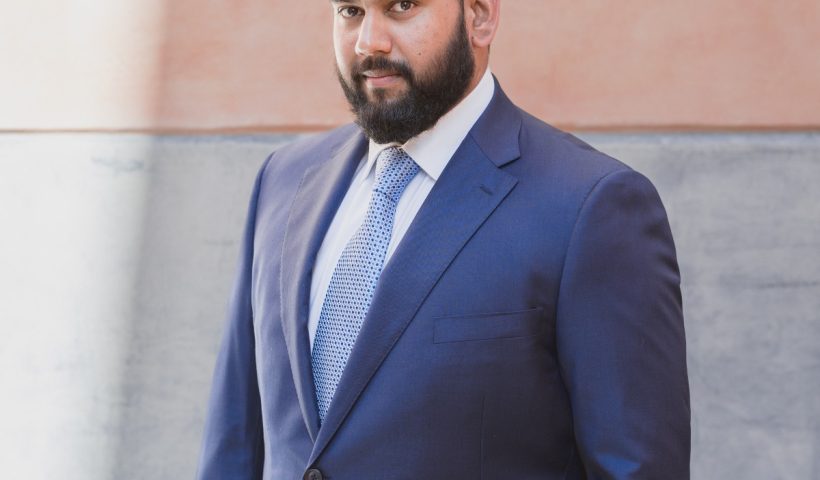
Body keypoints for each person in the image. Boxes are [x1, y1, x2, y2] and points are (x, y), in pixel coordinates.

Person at [196, 0, 691, 478]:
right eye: (350, 11)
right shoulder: (283, 181)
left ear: (479, 16)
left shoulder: (592, 206)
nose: (370, 42)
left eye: (403, 6)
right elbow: (233, 443)